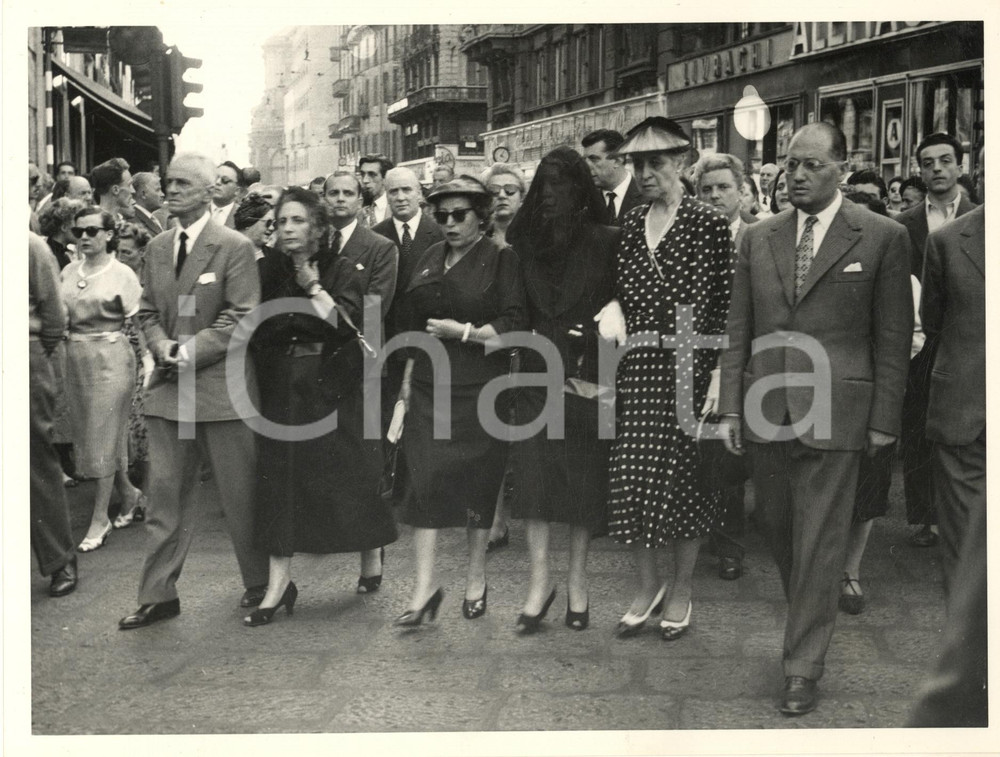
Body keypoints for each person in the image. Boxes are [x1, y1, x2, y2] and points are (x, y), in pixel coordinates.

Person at [719, 122, 912, 716]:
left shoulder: (881, 235)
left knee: (822, 538)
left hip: (839, 408)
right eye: (788, 165)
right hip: (766, 405)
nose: (796, 176)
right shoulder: (759, 237)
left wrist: (884, 417)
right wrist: (729, 404)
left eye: (811, 166)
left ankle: (802, 666)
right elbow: (738, 327)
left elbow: (892, 333)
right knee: (777, 526)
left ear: (841, 168)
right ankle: (809, 610)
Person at [118, 152, 269, 630]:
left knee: (240, 496)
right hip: (169, 393)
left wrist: (184, 352)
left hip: (222, 394)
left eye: (183, 182)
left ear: (208, 192)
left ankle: (262, 583)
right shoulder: (159, 246)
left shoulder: (233, 246)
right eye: (168, 182)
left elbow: (241, 315)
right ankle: (158, 593)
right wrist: (160, 345)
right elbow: (144, 309)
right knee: (165, 498)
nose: (171, 189)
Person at [597, 117, 732, 644]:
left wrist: (722, 370)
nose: (646, 172)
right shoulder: (630, 224)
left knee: (684, 482)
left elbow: (725, 303)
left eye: (656, 162)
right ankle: (647, 585)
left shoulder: (708, 222)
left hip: (694, 368)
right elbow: (618, 289)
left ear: (682, 162)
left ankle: (680, 589)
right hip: (639, 365)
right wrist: (610, 308)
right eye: (637, 163)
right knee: (631, 477)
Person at [245, 186, 399, 626]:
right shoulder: (266, 267)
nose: (287, 229)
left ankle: (371, 552)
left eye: (297, 221)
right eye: (281, 222)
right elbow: (256, 324)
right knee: (279, 482)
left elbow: (348, 326)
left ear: (316, 226)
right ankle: (278, 586)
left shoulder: (342, 264)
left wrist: (312, 286)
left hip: (333, 383)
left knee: (349, 475)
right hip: (281, 386)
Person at [392, 176, 528, 626]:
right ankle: (424, 587)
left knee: (477, 486)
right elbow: (412, 323)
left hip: (479, 386)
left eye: (459, 215)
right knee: (423, 486)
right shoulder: (431, 256)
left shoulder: (501, 258)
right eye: (442, 215)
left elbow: (513, 324)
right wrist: (409, 377)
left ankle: (475, 578)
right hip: (430, 384)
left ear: (481, 217)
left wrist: (464, 333)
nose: (449, 223)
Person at [505, 147, 618, 633]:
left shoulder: (607, 241)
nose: (550, 195)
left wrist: (597, 339)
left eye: (561, 184)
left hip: (586, 372)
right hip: (532, 373)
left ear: (579, 189)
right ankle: (539, 583)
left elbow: (620, 307)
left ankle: (577, 581)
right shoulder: (522, 243)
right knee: (532, 484)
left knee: (581, 484)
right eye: (544, 185)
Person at [896, 133, 978, 549]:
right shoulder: (905, 224)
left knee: (963, 434)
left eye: (946, 161)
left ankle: (961, 516)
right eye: (928, 163)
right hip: (918, 341)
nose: (938, 169)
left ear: (960, 166)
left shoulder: (980, 217)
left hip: (964, 342)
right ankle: (925, 516)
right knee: (918, 428)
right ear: (920, 170)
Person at [60, 206, 146, 552]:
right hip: (75, 359)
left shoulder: (122, 273)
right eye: (79, 231)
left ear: (109, 235)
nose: (84, 237)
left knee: (103, 436)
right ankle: (129, 495)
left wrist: (150, 362)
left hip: (112, 359)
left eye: (92, 231)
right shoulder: (67, 270)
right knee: (91, 436)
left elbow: (139, 324)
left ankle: (100, 518)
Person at [692, 153, 757, 581]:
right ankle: (699, 536)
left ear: (742, 192)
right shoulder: (692, 237)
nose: (715, 196)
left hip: (744, 359)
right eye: (707, 189)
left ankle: (730, 544)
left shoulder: (760, 236)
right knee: (699, 455)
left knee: (731, 455)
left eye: (724, 188)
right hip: (696, 357)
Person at [480, 162, 529, 549]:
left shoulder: (535, 240)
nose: (502, 197)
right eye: (494, 191)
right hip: (488, 347)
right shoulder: (478, 241)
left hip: (531, 347)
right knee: (492, 433)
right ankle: (495, 519)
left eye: (510, 190)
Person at [30, 232, 79, 597]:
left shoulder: (30, 246)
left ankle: (60, 560)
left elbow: (53, 318)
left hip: (23, 354)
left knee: (35, 463)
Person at [581, 129, 643, 225]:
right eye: (584, 160)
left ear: (618, 160)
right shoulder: (584, 201)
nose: (586, 166)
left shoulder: (647, 196)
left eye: (594, 159)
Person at [481, 163, 527, 249]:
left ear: (522, 198)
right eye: (494, 191)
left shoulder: (535, 237)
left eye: (510, 189)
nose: (502, 195)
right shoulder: (477, 239)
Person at [39, 197, 85, 270]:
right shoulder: (56, 258)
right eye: (77, 224)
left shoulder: (48, 248)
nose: (82, 230)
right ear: (64, 227)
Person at [91, 157, 135, 222]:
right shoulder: (92, 223)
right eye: (129, 185)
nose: (133, 191)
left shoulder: (124, 224)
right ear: (115, 190)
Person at [357, 154, 394, 226]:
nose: (365, 180)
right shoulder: (358, 211)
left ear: (385, 178)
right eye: (363, 174)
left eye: (372, 174)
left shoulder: (396, 207)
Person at [131, 172, 166, 237]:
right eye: (158, 190)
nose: (162, 194)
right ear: (143, 194)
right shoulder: (133, 222)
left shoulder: (151, 218)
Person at [211, 161, 243, 228]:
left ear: (237, 191)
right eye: (215, 178)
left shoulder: (243, 216)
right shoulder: (197, 210)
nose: (218, 182)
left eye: (225, 180)